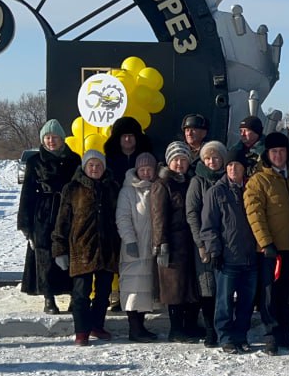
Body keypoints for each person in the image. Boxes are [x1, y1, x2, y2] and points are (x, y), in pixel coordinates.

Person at [52, 150, 120, 345]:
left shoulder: (113, 187)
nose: (95, 169)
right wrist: (60, 249)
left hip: (108, 249)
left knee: (103, 292)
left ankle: (97, 326)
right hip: (81, 249)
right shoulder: (72, 189)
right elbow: (62, 221)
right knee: (81, 294)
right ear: (84, 167)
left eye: (99, 165)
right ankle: (81, 331)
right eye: (91, 165)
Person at [244, 131, 289, 354]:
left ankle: (285, 332)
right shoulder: (259, 179)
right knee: (269, 294)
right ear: (267, 154)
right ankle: (271, 334)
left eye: (281, 151)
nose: (278, 156)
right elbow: (254, 213)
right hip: (270, 249)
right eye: (274, 152)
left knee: (288, 294)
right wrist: (265, 242)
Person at [18, 119, 80, 315]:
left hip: (69, 210)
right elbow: (27, 192)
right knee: (44, 255)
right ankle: (48, 298)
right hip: (44, 213)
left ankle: (73, 295)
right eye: (47, 137)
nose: (51, 141)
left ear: (62, 138)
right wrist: (25, 223)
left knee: (71, 252)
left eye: (55, 137)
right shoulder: (34, 161)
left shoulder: (74, 159)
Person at [201, 153, 260, 353]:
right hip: (227, 257)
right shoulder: (216, 192)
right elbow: (209, 226)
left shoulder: (251, 189)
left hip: (250, 255)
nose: (233, 169)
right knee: (224, 302)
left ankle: (240, 335)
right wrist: (215, 251)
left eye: (237, 165)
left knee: (246, 302)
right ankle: (225, 336)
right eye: (229, 165)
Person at [152, 141, 204, 343]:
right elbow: (158, 216)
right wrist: (161, 242)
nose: (180, 164)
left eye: (183, 159)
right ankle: (176, 329)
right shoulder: (162, 184)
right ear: (168, 162)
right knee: (174, 288)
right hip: (172, 243)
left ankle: (190, 325)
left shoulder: (191, 181)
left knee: (191, 287)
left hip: (190, 241)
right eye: (176, 160)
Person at [186, 140, 227, 347]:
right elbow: (191, 213)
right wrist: (200, 243)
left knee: (225, 287)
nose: (212, 161)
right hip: (204, 242)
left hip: (228, 241)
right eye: (208, 158)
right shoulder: (197, 181)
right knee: (208, 287)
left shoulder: (229, 178)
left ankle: (224, 327)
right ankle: (211, 329)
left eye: (216, 157)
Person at [116, 152, 161, 342]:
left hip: (151, 248)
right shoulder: (128, 191)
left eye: (149, 169)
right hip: (134, 247)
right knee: (133, 289)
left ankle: (141, 327)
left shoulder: (157, 188)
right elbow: (123, 217)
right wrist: (129, 240)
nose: (145, 173)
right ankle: (133, 329)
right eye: (142, 169)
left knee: (145, 291)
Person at [105, 116, 153, 186]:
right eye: (124, 136)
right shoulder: (108, 160)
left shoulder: (148, 159)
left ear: (137, 137)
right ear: (117, 138)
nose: (127, 139)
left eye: (131, 135)